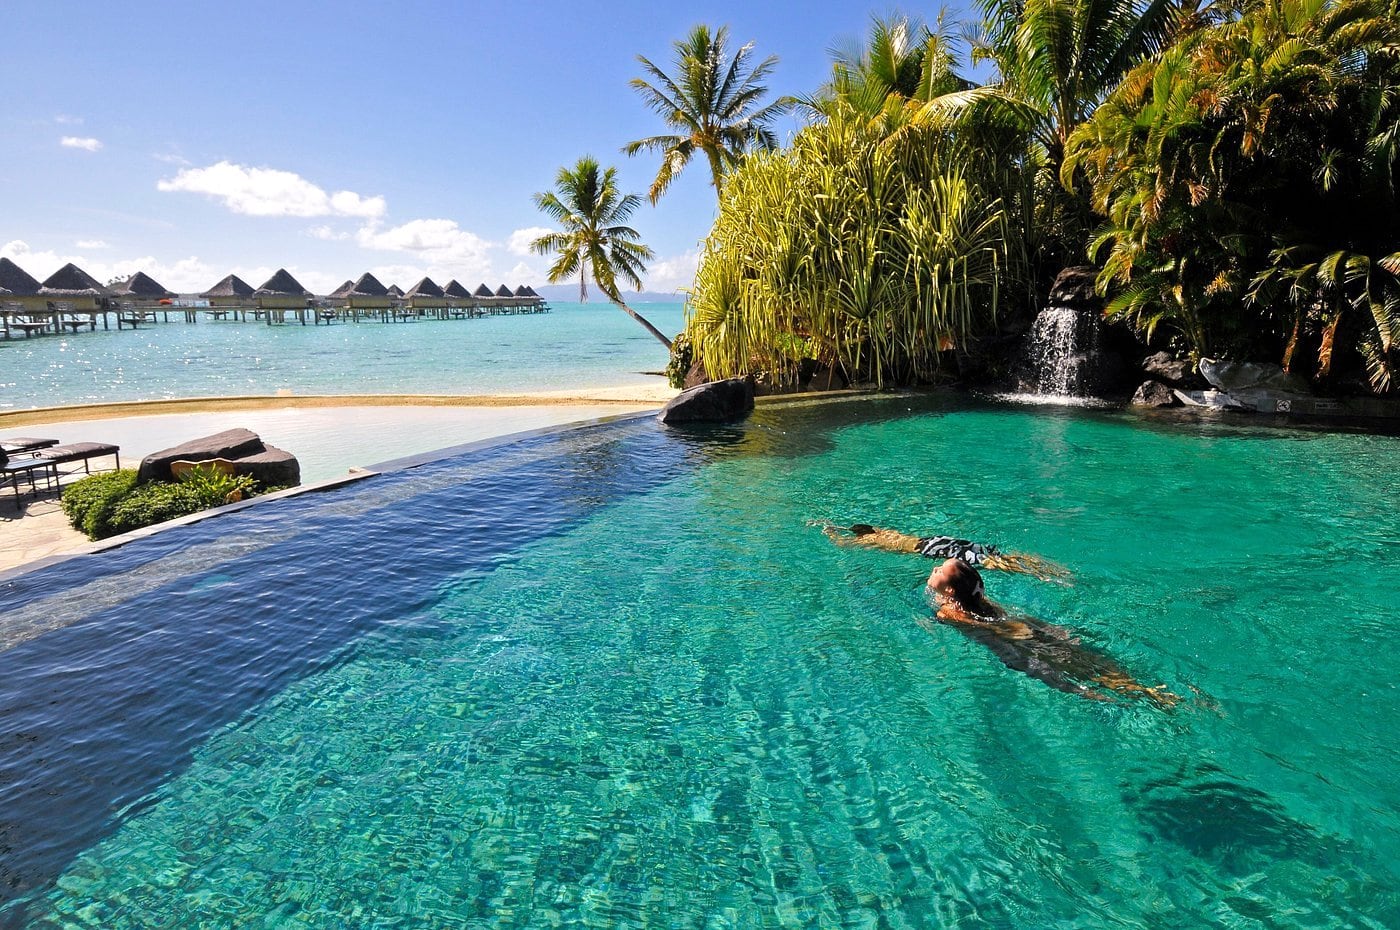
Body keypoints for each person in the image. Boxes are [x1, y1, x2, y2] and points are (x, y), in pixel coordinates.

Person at [925, 558, 1179, 708]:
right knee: (1082, 659)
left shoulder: (947, 613)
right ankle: (1149, 691)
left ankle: (1135, 696)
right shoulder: (985, 601)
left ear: (949, 592)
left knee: (1065, 679)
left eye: (940, 571)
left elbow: (981, 628)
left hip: (1013, 644)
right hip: (1026, 630)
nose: (935, 568)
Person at [821, 522, 1070, 581]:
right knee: (989, 553)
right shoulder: (884, 532)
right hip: (937, 540)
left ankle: (1041, 574)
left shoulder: (873, 540)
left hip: (928, 549)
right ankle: (1043, 566)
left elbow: (844, 544)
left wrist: (828, 532)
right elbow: (868, 529)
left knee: (988, 562)